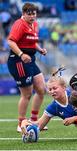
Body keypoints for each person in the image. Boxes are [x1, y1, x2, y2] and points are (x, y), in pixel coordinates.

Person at [7, 3, 47, 132]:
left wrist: (40, 50)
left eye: (33, 13)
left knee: (41, 89)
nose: (31, 16)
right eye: (29, 14)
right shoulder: (19, 24)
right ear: (23, 14)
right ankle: (21, 124)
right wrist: (21, 54)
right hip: (18, 61)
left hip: (30, 60)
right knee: (27, 94)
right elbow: (11, 41)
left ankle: (34, 121)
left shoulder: (35, 25)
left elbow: (32, 41)